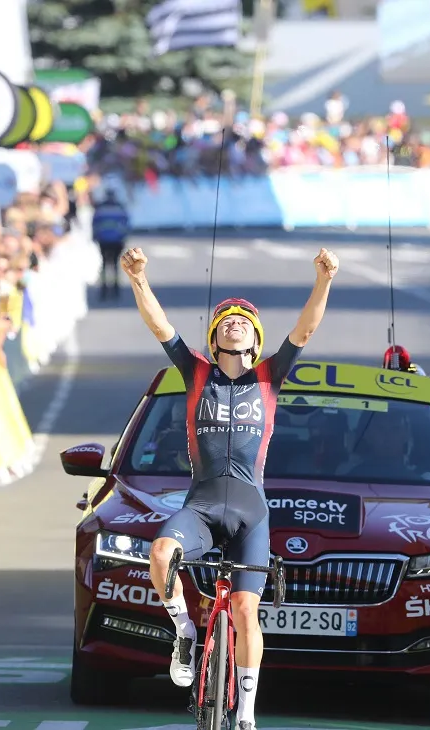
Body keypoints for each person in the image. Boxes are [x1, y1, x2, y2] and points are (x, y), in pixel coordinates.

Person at [121, 245, 338, 730]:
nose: (233, 324)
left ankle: (247, 714)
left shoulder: (269, 376)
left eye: (243, 321)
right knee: (160, 556)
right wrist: (138, 278)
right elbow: (160, 327)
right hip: (198, 506)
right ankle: (183, 633)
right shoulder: (196, 372)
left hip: (250, 512)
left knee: (245, 609)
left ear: (255, 338)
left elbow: (305, 329)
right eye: (225, 321)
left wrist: (323, 280)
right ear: (214, 337)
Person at [93, 191, 132, 300]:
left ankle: (104, 290)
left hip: (103, 240)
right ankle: (115, 290)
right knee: (115, 265)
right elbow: (126, 224)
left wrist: (95, 237)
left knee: (105, 264)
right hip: (116, 240)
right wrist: (123, 237)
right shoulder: (120, 208)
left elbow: (95, 224)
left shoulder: (100, 208)